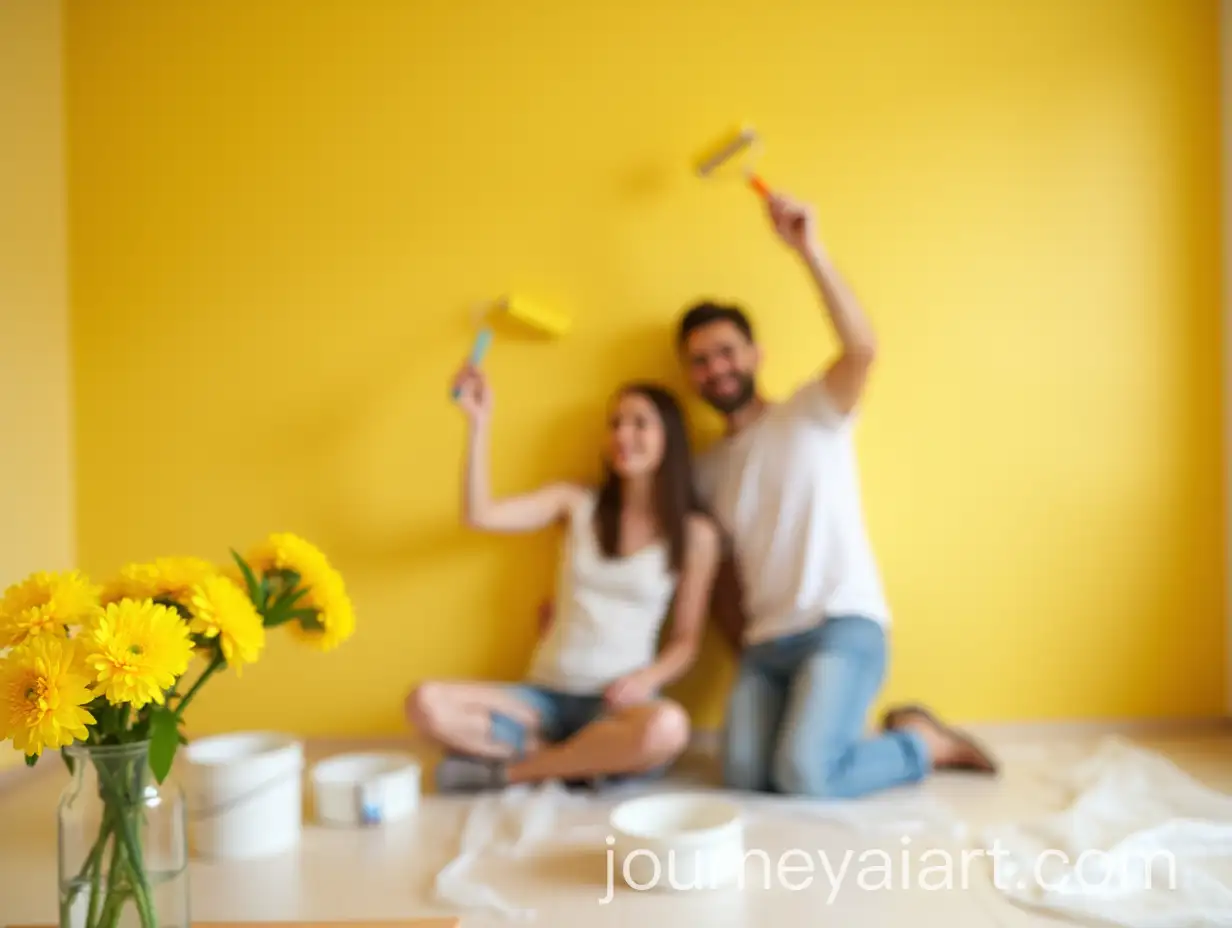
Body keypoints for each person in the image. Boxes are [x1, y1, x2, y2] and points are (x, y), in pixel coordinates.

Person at [678, 189, 997, 799]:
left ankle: (922, 743)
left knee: (805, 774)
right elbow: (714, 577)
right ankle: (861, 738)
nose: (715, 368)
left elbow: (863, 349)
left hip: (842, 626)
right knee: (746, 777)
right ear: (690, 376)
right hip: (765, 647)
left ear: (754, 355)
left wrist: (810, 250)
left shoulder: (811, 412)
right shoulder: (705, 469)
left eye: (725, 352)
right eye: (699, 361)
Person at [406, 363, 722, 792]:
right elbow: (480, 515)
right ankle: (579, 762)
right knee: (425, 703)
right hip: (543, 701)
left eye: (639, 423)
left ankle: (515, 771)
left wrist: (646, 680)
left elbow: (686, 641)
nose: (622, 435)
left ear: (669, 437)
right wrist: (479, 422)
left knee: (667, 728)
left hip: (617, 705)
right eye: (615, 423)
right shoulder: (576, 502)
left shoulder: (695, 534)